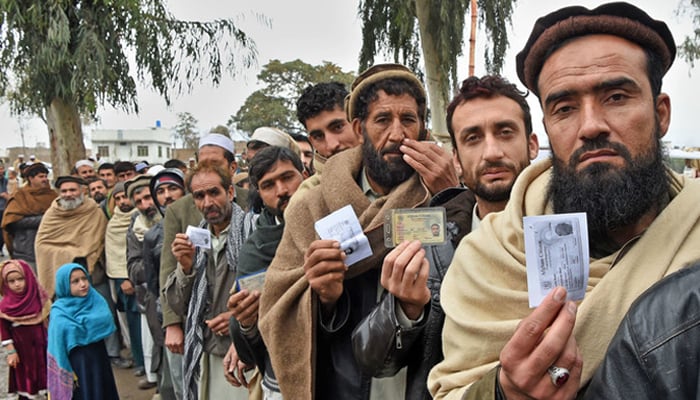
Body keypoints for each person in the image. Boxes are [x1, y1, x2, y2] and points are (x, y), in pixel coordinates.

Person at [428, 3, 700, 399]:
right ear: (548, 129)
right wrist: (505, 391)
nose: (590, 126)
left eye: (617, 97)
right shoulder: (485, 260)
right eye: (565, 108)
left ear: (661, 114)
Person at [258, 63, 458, 399]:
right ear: (359, 128)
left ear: (423, 129)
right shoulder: (312, 205)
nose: (397, 135)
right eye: (382, 120)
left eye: (408, 120)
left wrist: (451, 198)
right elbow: (281, 302)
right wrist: (325, 297)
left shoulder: (443, 194)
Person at [351, 74, 539, 400]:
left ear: (532, 144)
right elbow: (373, 361)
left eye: (505, 132)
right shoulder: (433, 246)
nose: (492, 152)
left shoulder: (572, 232)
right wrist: (406, 309)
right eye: (473, 138)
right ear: (456, 159)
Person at [159, 133, 249, 399]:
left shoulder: (254, 223)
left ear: (230, 189)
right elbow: (171, 284)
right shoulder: (185, 220)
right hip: (205, 343)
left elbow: (269, 283)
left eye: (214, 192)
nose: (208, 203)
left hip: (245, 343)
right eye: (199, 196)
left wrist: (239, 316)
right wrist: (185, 268)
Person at [226, 146, 306, 398]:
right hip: (281, 381)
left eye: (287, 177)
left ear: (304, 174)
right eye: (268, 185)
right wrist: (246, 323)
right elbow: (250, 347)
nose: (282, 191)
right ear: (259, 194)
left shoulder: (332, 222)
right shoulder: (254, 251)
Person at [142, 168, 187, 400]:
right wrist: (169, 323)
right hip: (173, 320)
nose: (167, 195)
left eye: (173, 188)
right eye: (160, 191)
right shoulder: (151, 237)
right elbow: (153, 287)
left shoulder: (202, 225)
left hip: (205, 316)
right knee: (180, 383)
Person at [47, 263, 119, 400]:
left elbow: (105, 319)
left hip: (98, 357)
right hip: (78, 363)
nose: (83, 284)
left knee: (103, 390)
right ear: (64, 285)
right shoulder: (59, 312)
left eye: (84, 278)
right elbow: (57, 345)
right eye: (75, 281)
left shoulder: (95, 300)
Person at [35, 176, 107, 299]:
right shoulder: (52, 214)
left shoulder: (94, 210)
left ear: (82, 191)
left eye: (73, 190)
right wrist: (68, 253)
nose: (68, 194)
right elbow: (41, 244)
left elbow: (100, 240)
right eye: (64, 191)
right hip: (62, 276)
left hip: (92, 274)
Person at [125, 174, 162, 389]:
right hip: (150, 296)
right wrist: (156, 258)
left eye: (148, 197)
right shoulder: (135, 229)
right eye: (138, 201)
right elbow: (133, 267)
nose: (145, 205)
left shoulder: (174, 217)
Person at [0, 259, 50, 399]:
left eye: (20, 279)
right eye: (12, 281)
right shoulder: (6, 306)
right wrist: (11, 351)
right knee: (26, 379)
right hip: (22, 351)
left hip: (42, 347)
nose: (17, 284)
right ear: (5, 283)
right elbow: (4, 330)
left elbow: (47, 319)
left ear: (28, 277)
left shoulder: (38, 298)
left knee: (46, 376)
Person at [295, 82, 362, 174]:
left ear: (358, 123)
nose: (332, 145)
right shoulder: (312, 187)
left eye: (338, 127)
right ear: (312, 142)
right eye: (318, 136)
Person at [1, 163, 56, 271]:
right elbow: (12, 221)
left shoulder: (52, 196)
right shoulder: (20, 196)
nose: (44, 179)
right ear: (31, 178)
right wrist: (43, 219)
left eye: (45, 176)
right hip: (26, 250)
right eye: (41, 177)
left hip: (50, 249)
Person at [0, 163, 8, 256]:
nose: (1, 171)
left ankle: (1, 247)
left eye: (2, 169)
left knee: (3, 229)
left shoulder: (5, 181)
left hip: (4, 208)